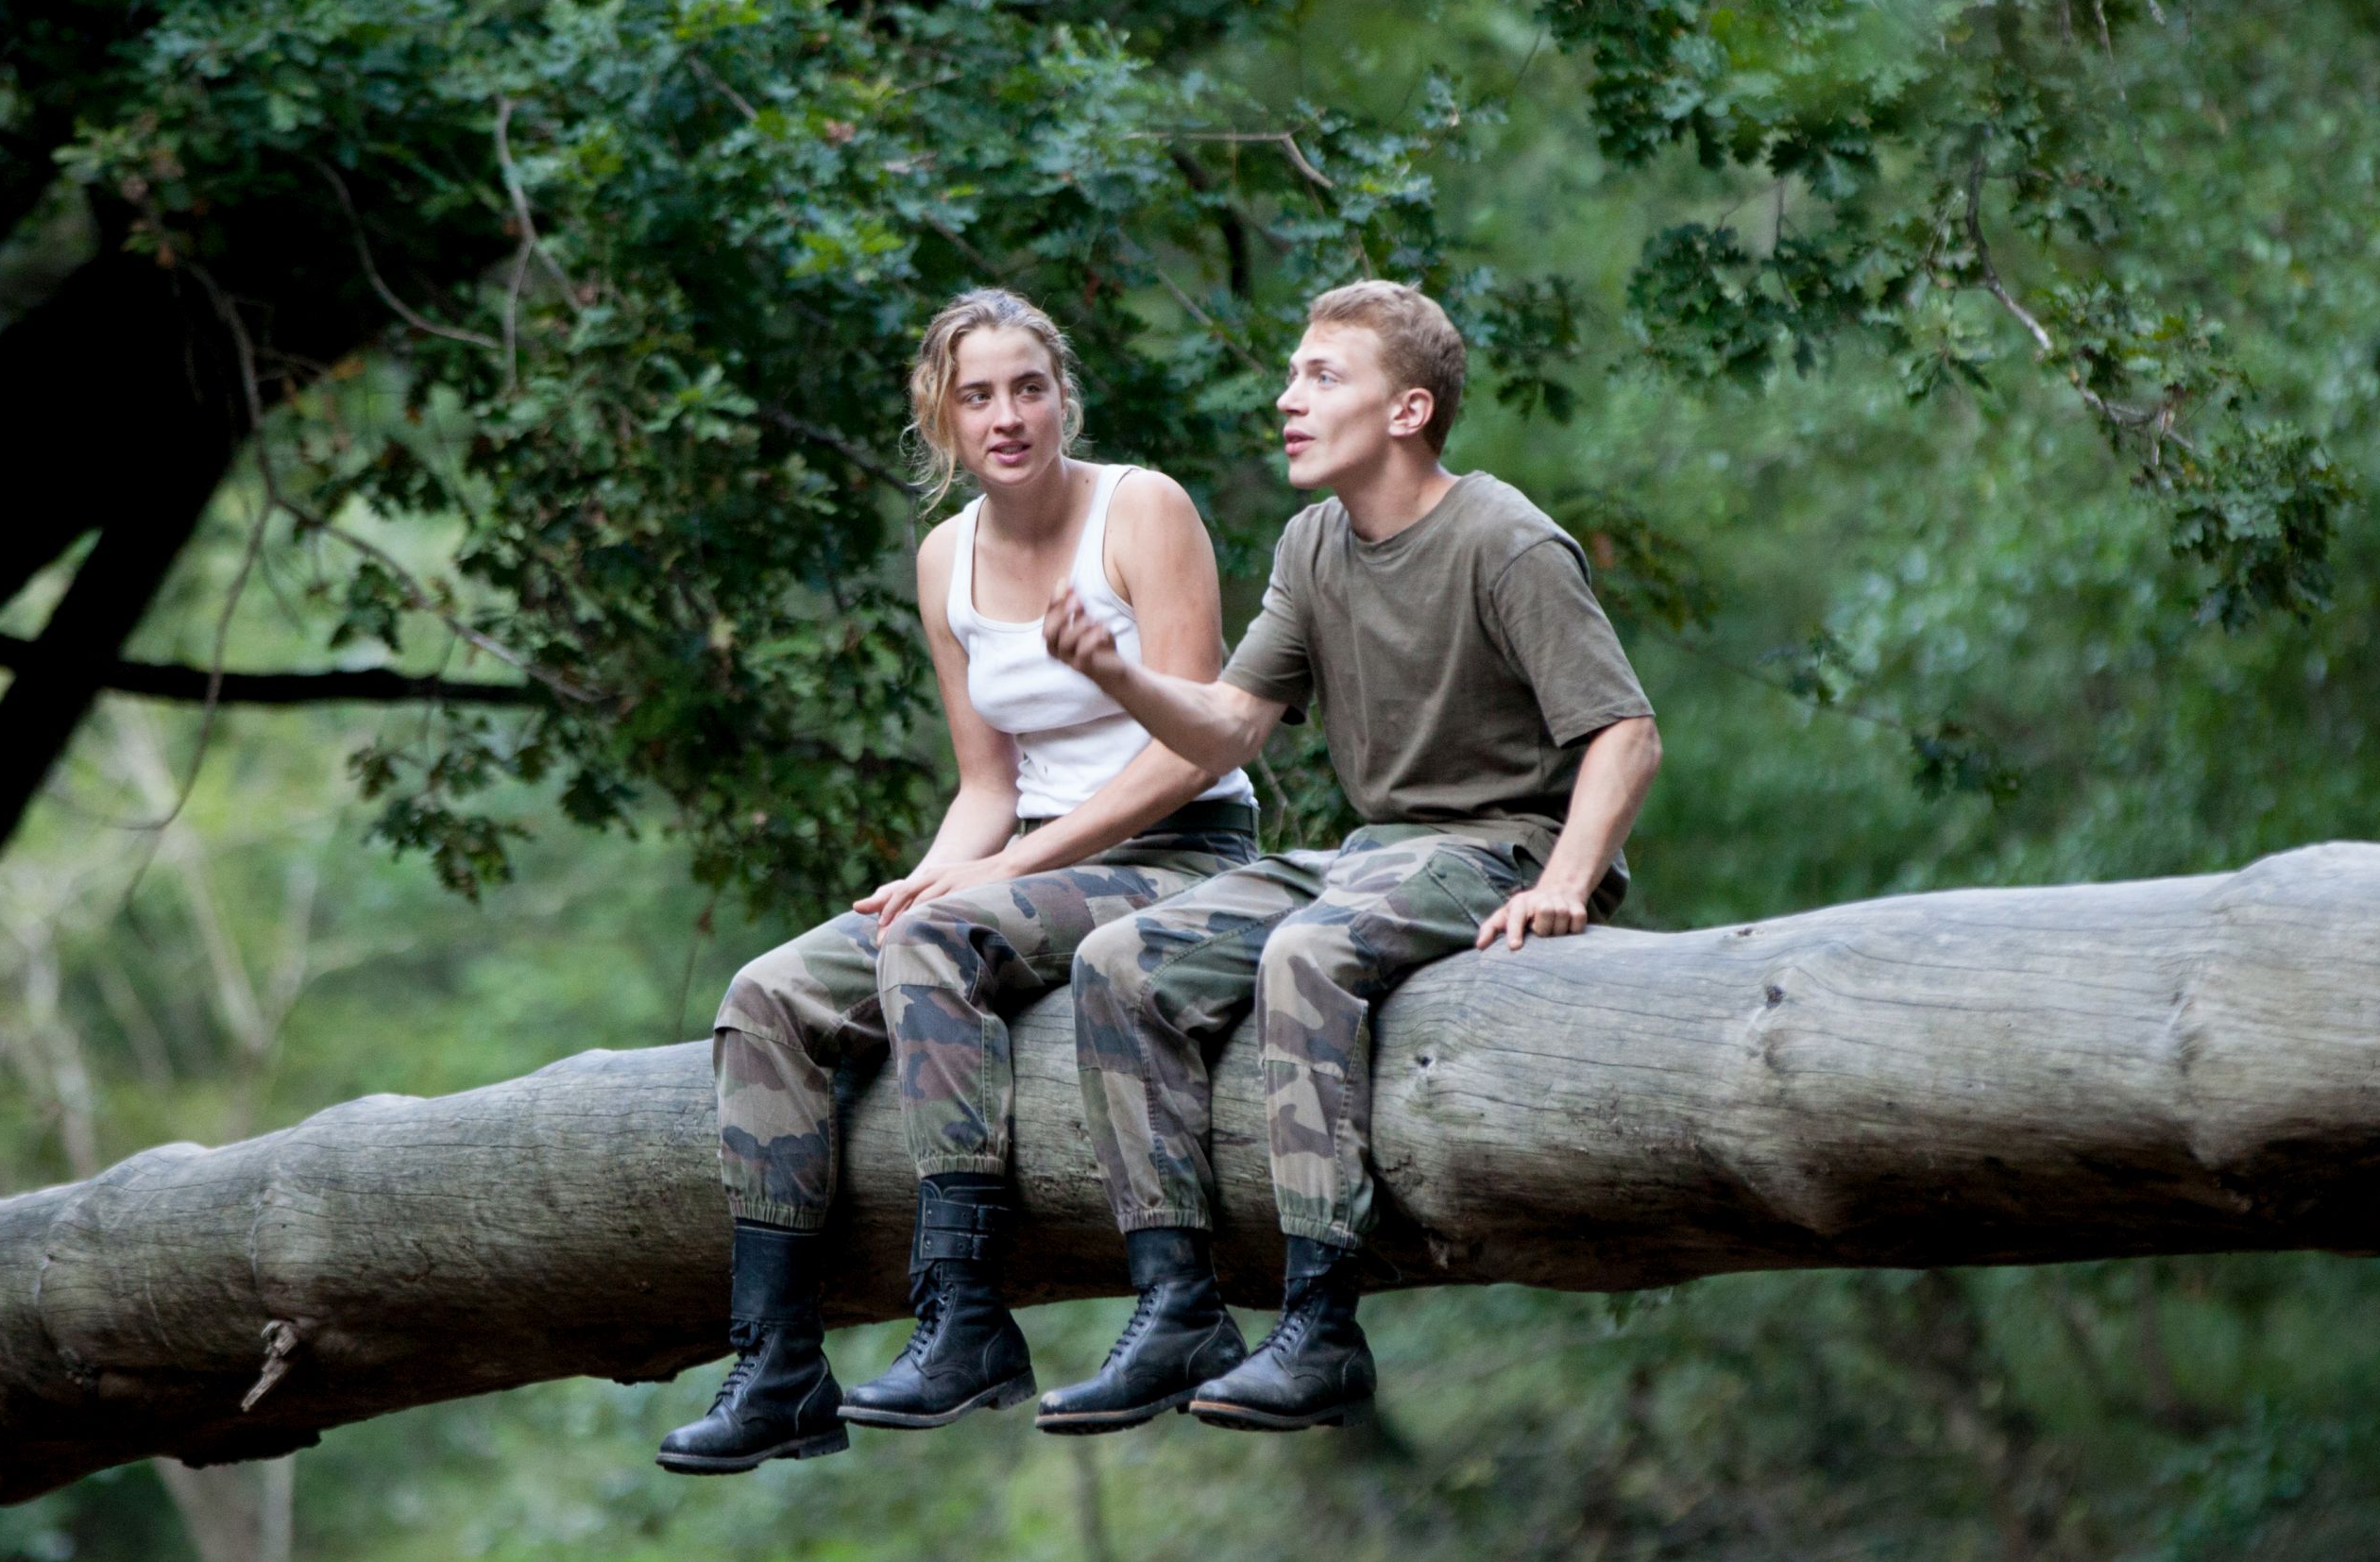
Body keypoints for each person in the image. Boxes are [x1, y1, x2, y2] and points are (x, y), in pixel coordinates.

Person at [1034, 279, 1661, 1434]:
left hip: (1495, 846)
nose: (1287, 400)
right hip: (1369, 853)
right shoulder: (1312, 542)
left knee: (1307, 955)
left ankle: (1321, 1326)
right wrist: (1115, 675)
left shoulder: (1503, 538)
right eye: (1291, 376)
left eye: (1322, 378)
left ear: (1409, 411)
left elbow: (1625, 732)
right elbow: (1227, 727)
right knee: (1119, 965)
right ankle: (1176, 1307)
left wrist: (1567, 884)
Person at [659, 289, 1261, 1474]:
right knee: (769, 994)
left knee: (936, 941)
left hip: (1174, 855)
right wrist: (929, 876)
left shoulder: (1140, 509)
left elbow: (1193, 741)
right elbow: (986, 782)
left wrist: (994, 876)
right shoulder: (945, 556)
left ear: (1062, 396)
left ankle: (965, 1314)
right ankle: (779, 1365)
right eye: (976, 396)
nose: (1006, 416)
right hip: (1016, 863)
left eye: (1027, 388)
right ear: (940, 417)